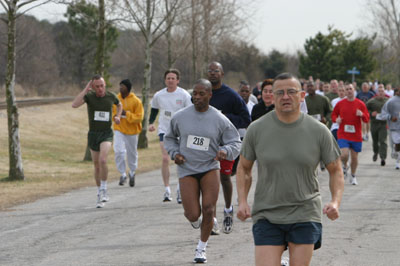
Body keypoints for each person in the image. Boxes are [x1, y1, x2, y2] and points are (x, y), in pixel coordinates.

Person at [237, 73, 344, 266]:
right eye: (280, 93)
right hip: (267, 213)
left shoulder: (319, 131)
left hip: (305, 211)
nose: (285, 97)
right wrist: (242, 201)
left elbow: (335, 169)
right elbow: (244, 168)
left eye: (291, 92)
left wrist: (335, 201)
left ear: (301, 96)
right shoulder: (257, 129)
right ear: (271, 96)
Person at [164, 79, 241, 264]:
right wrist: (175, 154)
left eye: (201, 94)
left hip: (209, 167)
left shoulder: (219, 119)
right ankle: (199, 222)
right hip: (187, 168)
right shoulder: (180, 117)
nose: (196, 97)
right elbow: (170, 138)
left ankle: (201, 248)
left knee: (208, 208)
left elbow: (235, 142)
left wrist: (225, 152)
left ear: (209, 95)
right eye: (194, 94)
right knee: (192, 214)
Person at [207, 61, 251, 234]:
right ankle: (212, 218)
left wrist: (225, 118)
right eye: (209, 71)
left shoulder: (231, 95)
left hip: (226, 144)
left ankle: (227, 210)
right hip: (207, 144)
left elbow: (245, 118)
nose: (212, 73)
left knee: (225, 178)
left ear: (222, 74)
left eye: (216, 71)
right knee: (208, 181)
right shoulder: (203, 93)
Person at [72, 74, 122, 208]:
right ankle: (99, 192)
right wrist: (85, 89)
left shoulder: (111, 96)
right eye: (97, 86)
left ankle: (105, 188)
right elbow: (75, 104)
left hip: (106, 133)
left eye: (102, 86)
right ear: (93, 87)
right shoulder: (89, 97)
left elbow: (119, 105)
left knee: (103, 160)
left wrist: (117, 116)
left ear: (105, 85)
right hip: (93, 134)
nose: (100, 89)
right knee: (97, 165)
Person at [148, 69, 192, 203]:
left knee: (179, 159)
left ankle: (180, 188)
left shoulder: (184, 95)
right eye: (168, 78)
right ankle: (167, 189)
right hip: (164, 130)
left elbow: (190, 112)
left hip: (180, 131)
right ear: (165, 80)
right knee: (165, 158)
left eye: (173, 78)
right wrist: (150, 123)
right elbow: (154, 109)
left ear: (178, 80)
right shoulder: (159, 95)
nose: (170, 80)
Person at [332, 84, 370, 185]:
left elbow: (367, 118)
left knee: (354, 158)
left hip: (356, 135)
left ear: (354, 90)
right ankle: (344, 165)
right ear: (345, 92)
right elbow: (334, 114)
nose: (349, 91)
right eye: (347, 89)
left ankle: (353, 175)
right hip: (343, 133)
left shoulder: (360, 104)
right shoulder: (340, 103)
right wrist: (336, 119)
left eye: (350, 89)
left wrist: (361, 114)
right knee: (344, 154)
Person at [112, 79, 144, 187]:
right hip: (119, 129)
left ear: (128, 88)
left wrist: (127, 114)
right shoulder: (116, 99)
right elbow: (113, 112)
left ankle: (132, 172)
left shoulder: (136, 101)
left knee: (132, 153)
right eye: (120, 86)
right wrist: (116, 116)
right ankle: (122, 174)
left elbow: (139, 117)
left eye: (123, 86)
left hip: (132, 131)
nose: (121, 88)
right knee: (119, 151)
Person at [366, 85, 388, 166]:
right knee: (375, 141)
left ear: (384, 92)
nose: (381, 93)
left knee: (383, 141)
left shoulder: (388, 101)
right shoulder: (371, 101)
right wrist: (371, 113)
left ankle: (383, 158)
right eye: (379, 91)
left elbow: (392, 110)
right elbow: (365, 110)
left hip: (383, 124)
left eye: (382, 91)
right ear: (377, 93)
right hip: (374, 124)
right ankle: (376, 152)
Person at [381, 88, 400, 169]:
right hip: (394, 127)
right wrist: (390, 117)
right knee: (397, 143)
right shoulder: (391, 101)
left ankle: (398, 162)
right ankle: (395, 152)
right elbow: (383, 113)